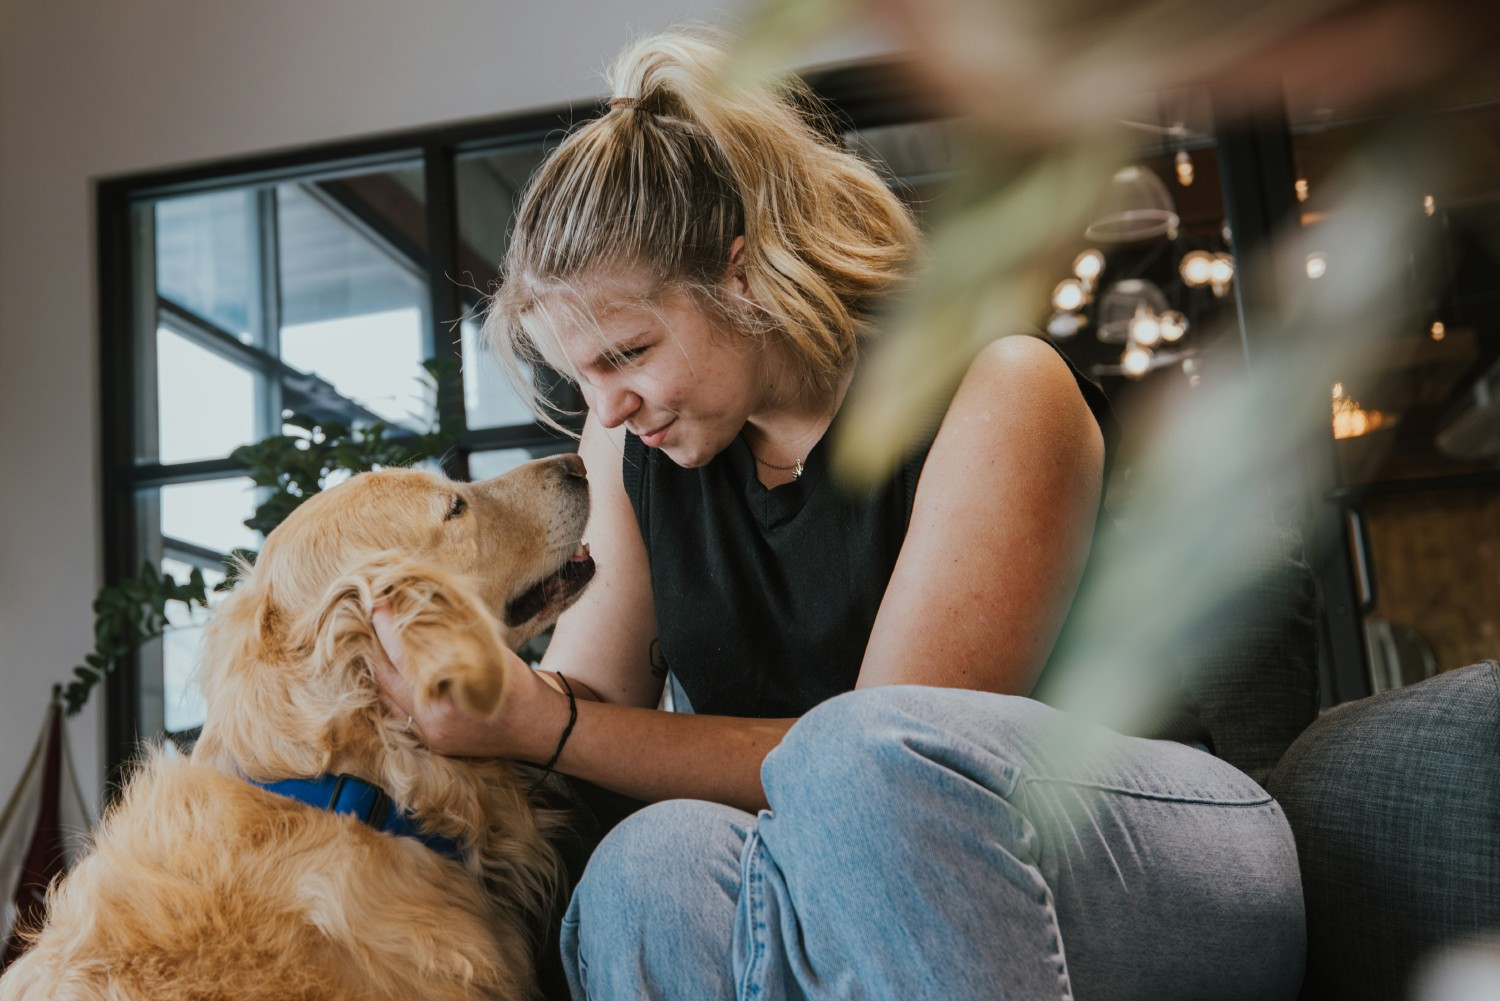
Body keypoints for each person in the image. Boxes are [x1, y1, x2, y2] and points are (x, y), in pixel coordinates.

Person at [372, 30, 1306, 1001]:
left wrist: (540, 717)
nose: (605, 407)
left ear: (741, 274)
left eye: (629, 354)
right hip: (861, 859)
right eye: (583, 375)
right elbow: (594, 710)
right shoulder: (636, 448)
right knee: (655, 853)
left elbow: (891, 761)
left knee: (860, 764)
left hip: (1143, 846)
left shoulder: (1000, 388)